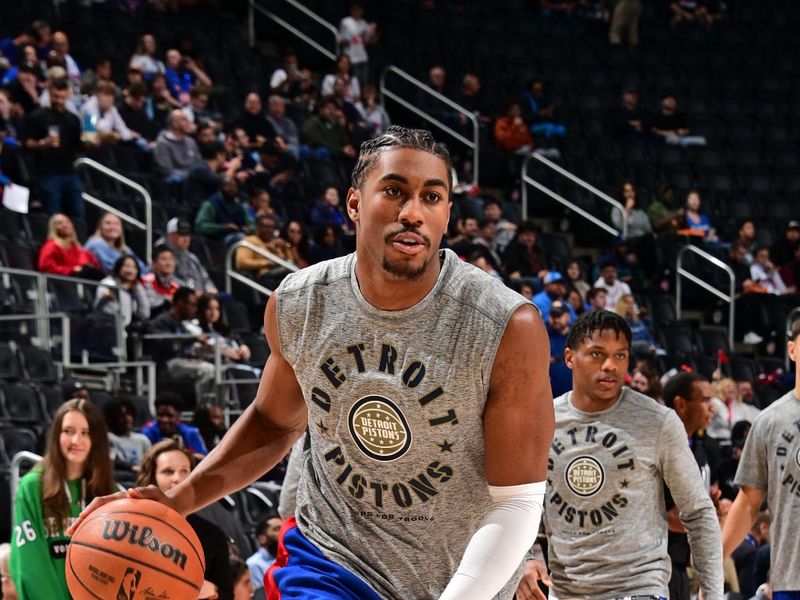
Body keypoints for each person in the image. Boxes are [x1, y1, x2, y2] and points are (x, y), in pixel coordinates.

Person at [71, 126, 554, 600]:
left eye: (432, 197)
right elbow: (272, 421)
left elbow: (517, 503)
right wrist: (181, 500)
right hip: (330, 560)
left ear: (447, 213)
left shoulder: (506, 325)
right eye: (393, 191)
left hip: (459, 577)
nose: (412, 213)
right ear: (354, 203)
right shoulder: (299, 303)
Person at [516, 311, 722, 600]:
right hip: (566, 592)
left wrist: (712, 593)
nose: (610, 365)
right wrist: (526, 560)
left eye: (620, 355)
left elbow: (699, 513)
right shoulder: (542, 422)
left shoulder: (657, 421)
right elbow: (519, 505)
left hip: (639, 589)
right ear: (569, 357)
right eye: (597, 354)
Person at [722, 318, 800, 597]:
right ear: (792, 350)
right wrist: (715, 563)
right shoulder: (769, 421)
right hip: (791, 578)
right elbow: (748, 503)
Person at [10, 399, 114, 599]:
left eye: (86, 432)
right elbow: (29, 564)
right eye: (68, 431)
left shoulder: (107, 490)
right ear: (56, 434)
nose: (76, 440)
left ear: (97, 439)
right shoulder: (33, 486)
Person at [136, 440, 232, 599]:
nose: (177, 479)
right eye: (168, 471)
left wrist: (213, 590)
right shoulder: (132, 527)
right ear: (151, 478)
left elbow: (228, 594)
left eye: (184, 471)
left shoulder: (212, 535)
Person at [662, 371, 717, 600]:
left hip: (683, 566)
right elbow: (665, 517)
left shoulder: (699, 449)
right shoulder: (663, 449)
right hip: (657, 568)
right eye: (704, 400)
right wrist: (705, 515)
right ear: (681, 404)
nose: (711, 407)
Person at [22, 78, 84, 217]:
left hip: (70, 173)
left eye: (62, 97)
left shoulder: (73, 119)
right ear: (49, 93)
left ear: (68, 95)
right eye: (56, 96)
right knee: (53, 217)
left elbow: (78, 147)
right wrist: (44, 143)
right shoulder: (37, 116)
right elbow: (27, 143)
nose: (59, 101)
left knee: (78, 215)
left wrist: (91, 143)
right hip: (47, 174)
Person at [145, 288, 217, 406]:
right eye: (192, 305)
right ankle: (203, 410)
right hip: (165, 365)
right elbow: (165, 345)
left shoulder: (182, 323)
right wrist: (193, 338)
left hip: (180, 363)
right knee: (207, 369)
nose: (195, 309)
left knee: (218, 367)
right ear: (180, 303)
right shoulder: (163, 321)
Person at [158, 217, 218, 295]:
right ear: (170, 235)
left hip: (201, 297)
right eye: (182, 234)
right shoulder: (162, 255)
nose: (186, 239)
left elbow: (205, 278)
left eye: (187, 234)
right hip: (182, 298)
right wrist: (192, 290)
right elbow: (167, 279)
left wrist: (210, 289)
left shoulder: (191, 257)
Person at [235, 214, 295, 289]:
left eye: (272, 227)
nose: (269, 230)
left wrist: (285, 248)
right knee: (290, 270)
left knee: (295, 270)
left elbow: (290, 261)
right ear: (258, 227)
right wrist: (266, 263)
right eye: (266, 226)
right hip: (264, 275)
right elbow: (241, 263)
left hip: (280, 272)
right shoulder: (249, 241)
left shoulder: (275, 242)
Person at [140, 391, 208, 455]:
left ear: (178, 416)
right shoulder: (146, 433)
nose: (164, 420)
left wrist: (182, 453)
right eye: (161, 415)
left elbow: (204, 458)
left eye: (169, 415)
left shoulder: (191, 433)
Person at [194, 175, 254, 246]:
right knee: (242, 238)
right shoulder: (211, 204)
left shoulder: (239, 204)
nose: (232, 189)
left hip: (240, 235)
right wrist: (223, 228)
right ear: (221, 188)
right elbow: (200, 226)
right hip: (219, 240)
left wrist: (249, 229)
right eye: (228, 186)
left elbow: (251, 222)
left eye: (234, 186)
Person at [37, 213, 102, 278]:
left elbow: (95, 266)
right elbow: (46, 267)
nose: (65, 225)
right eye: (59, 223)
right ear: (53, 227)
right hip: (64, 282)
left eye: (67, 222)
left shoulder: (77, 247)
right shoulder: (50, 246)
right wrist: (72, 270)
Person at [94, 254, 150, 329]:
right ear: (119, 268)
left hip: (124, 331)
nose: (130, 270)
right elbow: (98, 306)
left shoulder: (135, 289)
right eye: (127, 266)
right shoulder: (108, 283)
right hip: (107, 328)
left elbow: (144, 315)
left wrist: (138, 289)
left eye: (134, 267)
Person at [103, 397, 152, 474]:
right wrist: (130, 467)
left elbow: (150, 462)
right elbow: (112, 461)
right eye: (122, 416)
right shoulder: (107, 438)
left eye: (129, 414)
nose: (128, 418)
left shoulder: (142, 439)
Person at [141, 244, 182, 312]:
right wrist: (166, 300)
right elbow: (149, 306)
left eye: (171, 259)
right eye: (164, 259)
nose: (168, 263)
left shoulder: (177, 285)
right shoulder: (146, 281)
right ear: (154, 263)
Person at [246, 515, 282, 592]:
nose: (283, 532)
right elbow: (262, 595)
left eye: (284, 528)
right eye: (277, 529)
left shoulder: (292, 556)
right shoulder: (254, 564)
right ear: (262, 539)